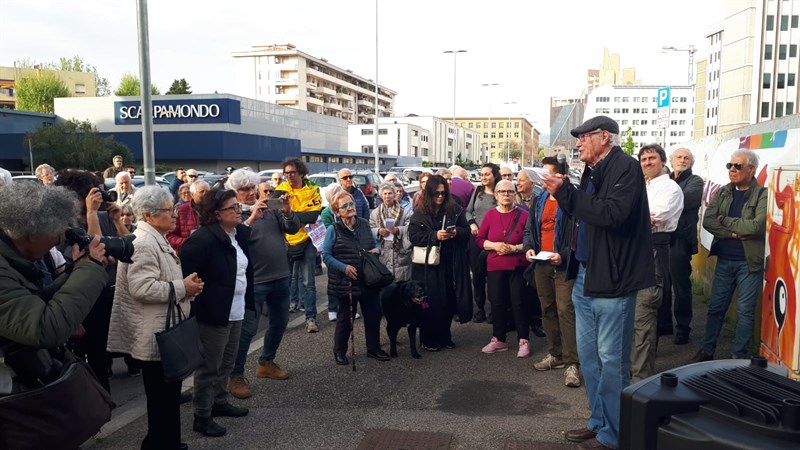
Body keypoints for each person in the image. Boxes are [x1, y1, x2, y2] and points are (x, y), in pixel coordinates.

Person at [542, 115, 655, 450]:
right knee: (590, 359)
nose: (578, 143)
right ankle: (600, 421)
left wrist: (567, 193)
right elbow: (583, 216)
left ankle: (616, 434)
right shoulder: (593, 171)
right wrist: (567, 194)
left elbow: (611, 214)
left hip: (613, 279)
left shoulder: (626, 167)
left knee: (612, 361)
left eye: (583, 137)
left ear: (604, 137)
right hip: (586, 276)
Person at [107, 186, 203, 450]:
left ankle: (163, 442)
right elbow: (143, 288)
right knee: (162, 400)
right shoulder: (144, 243)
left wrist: (184, 285)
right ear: (148, 216)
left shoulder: (153, 238)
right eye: (168, 210)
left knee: (166, 399)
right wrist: (183, 287)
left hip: (160, 331)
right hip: (156, 336)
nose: (174, 215)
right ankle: (163, 444)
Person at [180, 189, 253, 437]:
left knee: (227, 362)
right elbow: (189, 273)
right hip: (213, 313)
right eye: (232, 208)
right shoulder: (203, 239)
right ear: (216, 214)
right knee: (209, 366)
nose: (238, 211)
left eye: (238, 206)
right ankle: (202, 415)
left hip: (235, 309)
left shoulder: (235, 234)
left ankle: (219, 402)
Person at [0, 182, 108, 350]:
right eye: (57, 234)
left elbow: (32, 300)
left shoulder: (10, 256)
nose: (59, 241)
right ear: (33, 234)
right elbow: (44, 328)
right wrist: (89, 269)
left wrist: (77, 269)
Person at [226, 170, 300, 400]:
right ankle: (236, 375)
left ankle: (266, 361)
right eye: (244, 189)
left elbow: (292, 229)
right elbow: (234, 242)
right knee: (247, 330)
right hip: (254, 281)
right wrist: (251, 218)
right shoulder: (234, 215)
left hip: (280, 275)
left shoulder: (270, 209)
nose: (250, 193)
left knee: (280, 322)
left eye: (252, 188)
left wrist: (287, 212)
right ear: (235, 193)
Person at [55, 170, 129, 393]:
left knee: (102, 350)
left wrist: (116, 221)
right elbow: (93, 252)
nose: (94, 199)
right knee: (86, 352)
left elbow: (126, 247)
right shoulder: (64, 225)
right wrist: (93, 214)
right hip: (81, 296)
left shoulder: (104, 216)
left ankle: (102, 394)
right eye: (88, 195)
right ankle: (96, 397)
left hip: (105, 292)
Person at [689, 149, 767, 363]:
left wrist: (726, 220)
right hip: (724, 259)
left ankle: (739, 356)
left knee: (745, 311)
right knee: (716, 308)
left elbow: (756, 226)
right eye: (730, 166)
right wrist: (733, 232)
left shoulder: (763, 194)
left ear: (751, 170)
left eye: (738, 166)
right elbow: (708, 221)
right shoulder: (724, 191)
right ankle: (707, 351)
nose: (732, 170)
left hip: (748, 262)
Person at [524, 158, 580, 388]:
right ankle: (555, 354)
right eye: (540, 177)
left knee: (565, 309)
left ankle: (572, 362)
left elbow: (578, 233)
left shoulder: (571, 200)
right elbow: (530, 229)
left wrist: (564, 255)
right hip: (541, 261)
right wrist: (529, 246)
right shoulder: (539, 199)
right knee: (546, 308)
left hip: (563, 263)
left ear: (561, 178)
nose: (542, 181)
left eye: (546, 176)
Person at [631, 144, 683, 383]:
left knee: (645, 315)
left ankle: (641, 379)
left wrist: (634, 217)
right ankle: (634, 371)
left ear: (663, 162)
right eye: (643, 159)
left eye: (652, 158)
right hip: (633, 251)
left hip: (654, 250)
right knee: (631, 317)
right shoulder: (640, 186)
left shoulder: (671, 188)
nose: (647, 162)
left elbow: (654, 217)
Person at [324, 191, 389, 365]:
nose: (350, 207)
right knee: (346, 318)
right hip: (346, 282)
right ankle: (339, 351)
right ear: (337, 212)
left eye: (351, 204)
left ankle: (373, 348)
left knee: (373, 315)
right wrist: (343, 268)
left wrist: (378, 249)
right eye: (344, 206)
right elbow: (326, 255)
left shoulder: (364, 224)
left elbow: (374, 243)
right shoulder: (334, 229)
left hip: (369, 278)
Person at [409, 175, 470, 350]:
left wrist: (455, 232)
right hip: (427, 265)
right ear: (429, 193)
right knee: (430, 301)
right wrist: (434, 236)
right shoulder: (420, 213)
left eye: (443, 193)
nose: (440, 197)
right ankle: (428, 338)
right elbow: (413, 237)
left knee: (448, 300)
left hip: (449, 263)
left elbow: (466, 231)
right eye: (436, 193)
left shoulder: (454, 210)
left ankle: (445, 335)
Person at [477, 179, 530, 357]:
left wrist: (514, 248)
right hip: (495, 264)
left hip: (518, 265)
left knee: (519, 302)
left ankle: (524, 340)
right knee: (497, 302)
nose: (506, 195)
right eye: (502, 192)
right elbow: (480, 240)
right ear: (497, 195)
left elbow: (531, 242)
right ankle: (499, 339)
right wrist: (494, 245)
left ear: (515, 194)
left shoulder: (523, 215)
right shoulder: (490, 215)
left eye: (510, 191)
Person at [274, 158, 323, 333]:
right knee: (285, 282)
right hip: (286, 242)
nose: (289, 176)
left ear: (301, 173)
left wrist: (289, 214)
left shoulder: (312, 190)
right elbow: (275, 216)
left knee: (308, 281)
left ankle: (311, 318)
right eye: (286, 173)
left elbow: (313, 216)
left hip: (307, 240)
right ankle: (283, 319)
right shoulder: (279, 191)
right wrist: (296, 216)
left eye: (293, 172)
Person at [665, 148, 704, 345]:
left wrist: (663, 196)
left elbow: (683, 201)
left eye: (686, 157)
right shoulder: (665, 178)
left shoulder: (695, 181)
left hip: (680, 239)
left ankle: (683, 328)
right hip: (661, 239)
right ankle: (663, 326)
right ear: (671, 160)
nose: (682, 160)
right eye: (678, 157)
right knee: (661, 285)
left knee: (681, 287)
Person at [466, 163, 500, 323]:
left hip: (495, 240)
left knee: (494, 276)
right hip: (477, 238)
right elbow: (467, 211)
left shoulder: (500, 192)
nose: (483, 177)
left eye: (487, 174)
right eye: (482, 174)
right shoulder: (477, 191)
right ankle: (479, 308)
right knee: (477, 275)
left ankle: (495, 309)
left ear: (494, 175)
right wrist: (472, 223)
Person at [515, 168, 545, 338]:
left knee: (534, 290)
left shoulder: (539, 200)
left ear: (532, 184)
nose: (517, 183)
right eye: (517, 180)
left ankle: (536, 321)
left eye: (521, 180)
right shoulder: (513, 197)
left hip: (534, 250)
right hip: (516, 251)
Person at [370, 183, 412, 283]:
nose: (387, 196)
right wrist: (379, 231)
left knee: (401, 288)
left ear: (394, 194)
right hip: (384, 253)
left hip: (400, 254)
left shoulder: (404, 211)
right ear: (381, 195)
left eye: (390, 193)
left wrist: (398, 230)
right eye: (384, 194)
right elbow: (370, 228)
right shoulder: (375, 213)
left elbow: (410, 228)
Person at [166, 180, 209, 253]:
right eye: (202, 192)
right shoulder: (182, 210)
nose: (206, 194)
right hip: (189, 254)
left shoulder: (215, 209)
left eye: (208, 192)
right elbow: (169, 236)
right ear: (192, 195)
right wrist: (188, 243)